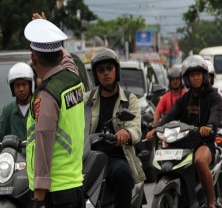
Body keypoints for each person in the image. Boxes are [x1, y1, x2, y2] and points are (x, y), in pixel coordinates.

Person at [24, 12, 85, 208]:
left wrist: (39, 197)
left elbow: (43, 142)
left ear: (33, 58)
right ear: (60, 54)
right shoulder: (73, 79)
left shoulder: (47, 95)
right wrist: (49, 32)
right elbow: (68, 61)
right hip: (74, 185)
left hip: (54, 192)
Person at [146, 55, 222, 208]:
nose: (195, 78)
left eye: (198, 74)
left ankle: (211, 202)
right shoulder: (184, 99)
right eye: (192, 75)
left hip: (205, 143)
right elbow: (169, 116)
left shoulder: (214, 97)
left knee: (200, 160)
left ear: (204, 76)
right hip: (184, 143)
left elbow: (215, 114)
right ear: (187, 78)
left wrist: (209, 126)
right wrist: (155, 128)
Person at [85, 47, 145, 208]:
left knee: (122, 173)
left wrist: (126, 132)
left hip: (116, 157)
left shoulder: (129, 100)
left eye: (109, 68)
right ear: (96, 75)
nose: (106, 73)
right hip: (87, 156)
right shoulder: (86, 99)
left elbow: (135, 128)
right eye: (101, 70)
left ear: (116, 70)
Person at [0, 62, 34, 153]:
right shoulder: (9, 109)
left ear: (31, 85)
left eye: (24, 84)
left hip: (36, 159)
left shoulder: (38, 105)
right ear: (12, 88)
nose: (21, 89)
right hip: (13, 160)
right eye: (17, 86)